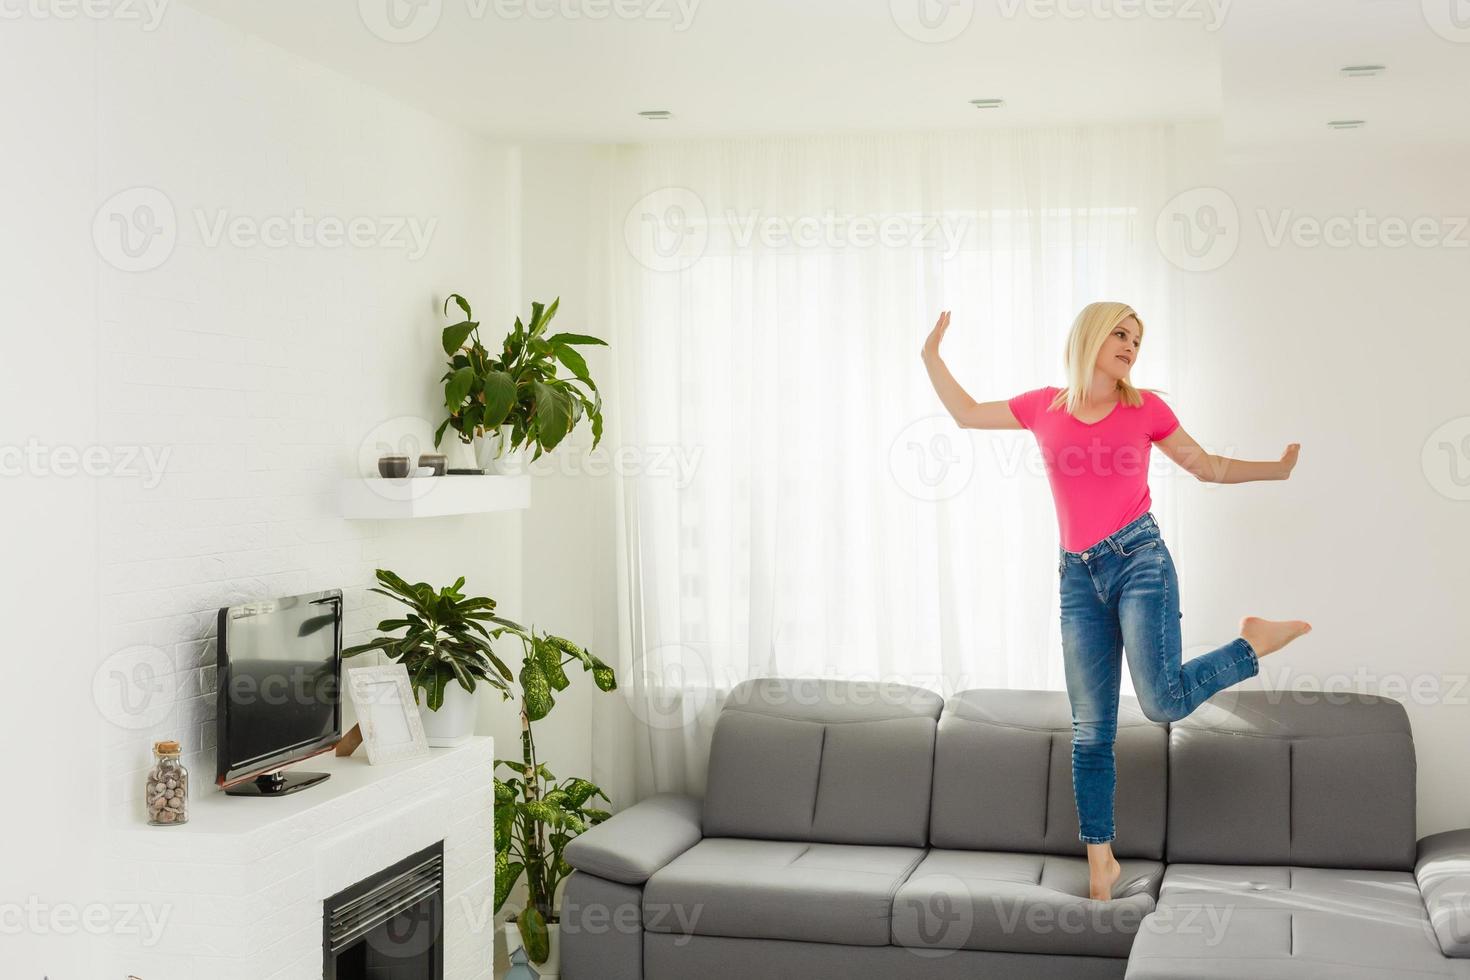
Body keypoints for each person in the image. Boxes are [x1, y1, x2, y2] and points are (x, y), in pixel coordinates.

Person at [920, 301, 1311, 901]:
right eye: (1121, 334)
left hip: (1140, 561)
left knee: (1161, 702)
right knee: (1090, 730)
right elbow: (968, 413)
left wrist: (1275, 471)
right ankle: (1101, 861)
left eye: (1138, 338)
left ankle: (1251, 643)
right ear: (1091, 337)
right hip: (1076, 579)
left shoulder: (1146, 408)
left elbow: (1205, 466)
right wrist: (931, 357)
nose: (1132, 345)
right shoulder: (1042, 405)